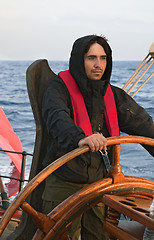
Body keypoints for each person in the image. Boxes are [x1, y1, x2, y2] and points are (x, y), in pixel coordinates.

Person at [41, 35, 154, 240]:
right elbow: (56, 118)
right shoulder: (57, 88)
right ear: (78, 60)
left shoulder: (113, 95)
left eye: (103, 58)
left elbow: (143, 125)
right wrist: (80, 138)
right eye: (91, 58)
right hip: (64, 183)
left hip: (99, 185)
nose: (98, 64)